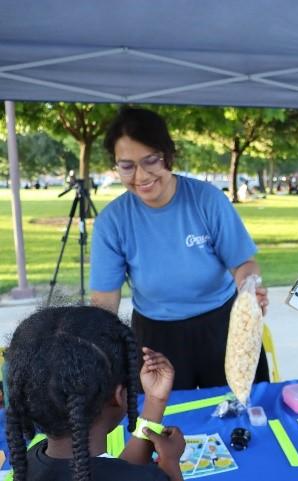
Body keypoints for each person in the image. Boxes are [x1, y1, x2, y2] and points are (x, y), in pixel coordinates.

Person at [90, 107, 270, 390]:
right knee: (164, 424)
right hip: (155, 338)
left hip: (223, 326)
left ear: (167, 155)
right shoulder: (112, 222)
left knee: (240, 412)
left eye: (151, 161)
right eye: (127, 166)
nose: (141, 175)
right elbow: (104, 302)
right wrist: (101, 354)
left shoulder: (207, 200)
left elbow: (243, 263)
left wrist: (249, 289)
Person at [4, 305, 185, 481]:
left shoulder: (29, 462)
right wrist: (170, 464)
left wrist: (155, 402)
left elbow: (117, 471)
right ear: (118, 396)